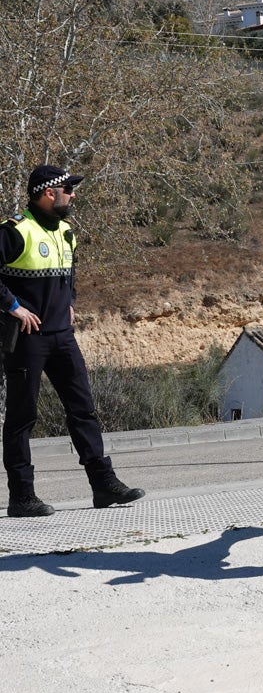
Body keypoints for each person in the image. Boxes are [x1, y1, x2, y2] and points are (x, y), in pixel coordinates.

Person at [0, 165, 145, 517]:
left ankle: (104, 486)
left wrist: (70, 303)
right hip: (27, 338)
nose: (73, 194)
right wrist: (14, 307)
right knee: (22, 416)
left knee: (83, 409)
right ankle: (22, 497)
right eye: (68, 189)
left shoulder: (66, 231)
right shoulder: (15, 231)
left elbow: (69, 273)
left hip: (62, 337)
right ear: (49, 193)